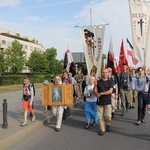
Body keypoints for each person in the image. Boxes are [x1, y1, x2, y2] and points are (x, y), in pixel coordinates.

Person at [96, 68, 113, 136]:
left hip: (107, 102)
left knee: (108, 117)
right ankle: (102, 129)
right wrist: (96, 93)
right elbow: (95, 90)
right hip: (99, 102)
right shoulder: (98, 82)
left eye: (106, 72)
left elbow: (110, 91)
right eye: (103, 72)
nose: (105, 74)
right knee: (100, 117)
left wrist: (101, 93)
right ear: (101, 73)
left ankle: (108, 124)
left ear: (108, 74)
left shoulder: (110, 82)